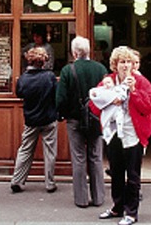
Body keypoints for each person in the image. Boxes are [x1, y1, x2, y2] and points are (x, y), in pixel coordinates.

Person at [98, 46, 151, 225]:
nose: (125, 65)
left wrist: (134, 92)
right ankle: (117, 207)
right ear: (114, 65)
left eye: (128, 62)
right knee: (116, 173)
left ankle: (131, 212)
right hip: (114, 133)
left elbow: (149, 106)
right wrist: (109, 98)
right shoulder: (108, 81)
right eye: (121, 62)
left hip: (133, 134)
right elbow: (95, 104)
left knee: (133, 175)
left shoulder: (141, 82)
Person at [55, 36, 108, 208]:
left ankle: (81, 199)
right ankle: (98, 197)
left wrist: (62, 114)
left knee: (78, 158)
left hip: (75, 119)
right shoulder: (100, 69)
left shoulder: (67, 70)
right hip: (96, 118)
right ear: (88, 51)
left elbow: (61, 98)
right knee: (96, 156)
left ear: (74, 52)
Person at [10, 47, 59, 194]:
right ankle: (49, 183)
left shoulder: (23, 79)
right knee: (50, 152)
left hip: (31, 119)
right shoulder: (49, 77)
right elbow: (56, 95)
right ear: (43, 61)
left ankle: (17, 180)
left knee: (25, 149)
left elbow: (20, 94)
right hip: (48, 118)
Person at [90, 76, 129, 141]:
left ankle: (120, 133)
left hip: (117, 110)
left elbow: (123, 94)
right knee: (106, 123)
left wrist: (119, 98)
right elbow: (93, 92)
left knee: (120, 118)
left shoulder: (117, 89)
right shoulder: (102, 91)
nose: (107, 85)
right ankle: (107, 135)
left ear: (113, 83)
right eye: (104, 84)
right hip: (107, 112)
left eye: (108, 82)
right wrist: (95, 94)